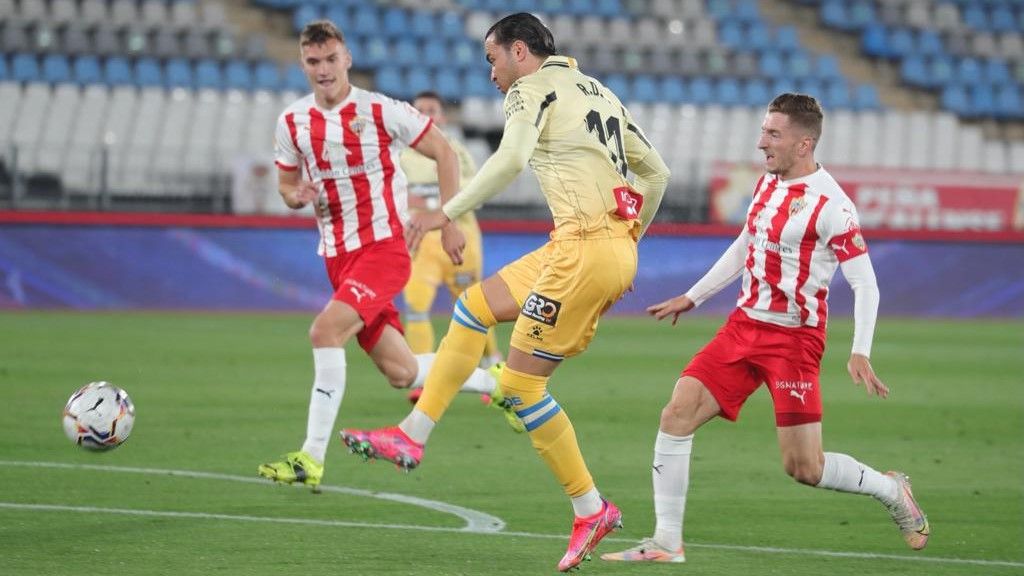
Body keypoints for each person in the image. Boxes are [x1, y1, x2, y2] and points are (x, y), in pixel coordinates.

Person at [339, 13, 670, 572]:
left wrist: (446, 212)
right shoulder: (599, 92)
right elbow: (656, 173)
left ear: (520, 51)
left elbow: (512, 159)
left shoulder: (530, 90)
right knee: (472, 307)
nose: (491, 74)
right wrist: (628, 239)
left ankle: (590, 507)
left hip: (582, 251)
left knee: (519, 384)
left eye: (492, 59)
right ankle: (411, 436)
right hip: (593, 246)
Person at [601, 93, 930, 564]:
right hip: (743, 327)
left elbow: (866, 283)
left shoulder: (833, 206)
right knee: (676, 414)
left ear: (804, 143)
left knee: (804, 467)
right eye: (763, 131)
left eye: (773, 134)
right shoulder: (766, 184)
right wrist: (695, 295)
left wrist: (860, 350)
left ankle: (892, 489)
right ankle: (667, 542)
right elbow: (744, 244)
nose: (761, 143)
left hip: (794, 341)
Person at [257, 20, 502, 492]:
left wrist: (448, 221)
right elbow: (286, 186)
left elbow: (445, 153)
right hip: (336, 257)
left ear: (347, 59)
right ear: (303, 64)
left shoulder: (380, 111)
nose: (323, 70)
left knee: (325, 331)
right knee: (402, 371)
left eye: (331, 60)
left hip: (384, 250)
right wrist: (296, 194)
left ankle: (310, 456)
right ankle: (501, 385)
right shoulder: (292, 121)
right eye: (313, 62)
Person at [398, 90, 506, 404]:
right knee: (416, 307)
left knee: (473, 310)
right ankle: (421, 379)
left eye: (432, 110)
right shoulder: (401, 156)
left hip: (460, 240)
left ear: (442, 117)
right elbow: (392, 197)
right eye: (420, 111)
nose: (427, 116)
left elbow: (476, 191)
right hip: (421, 244)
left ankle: (495, 368)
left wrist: (427, 201)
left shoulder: (455, 151)